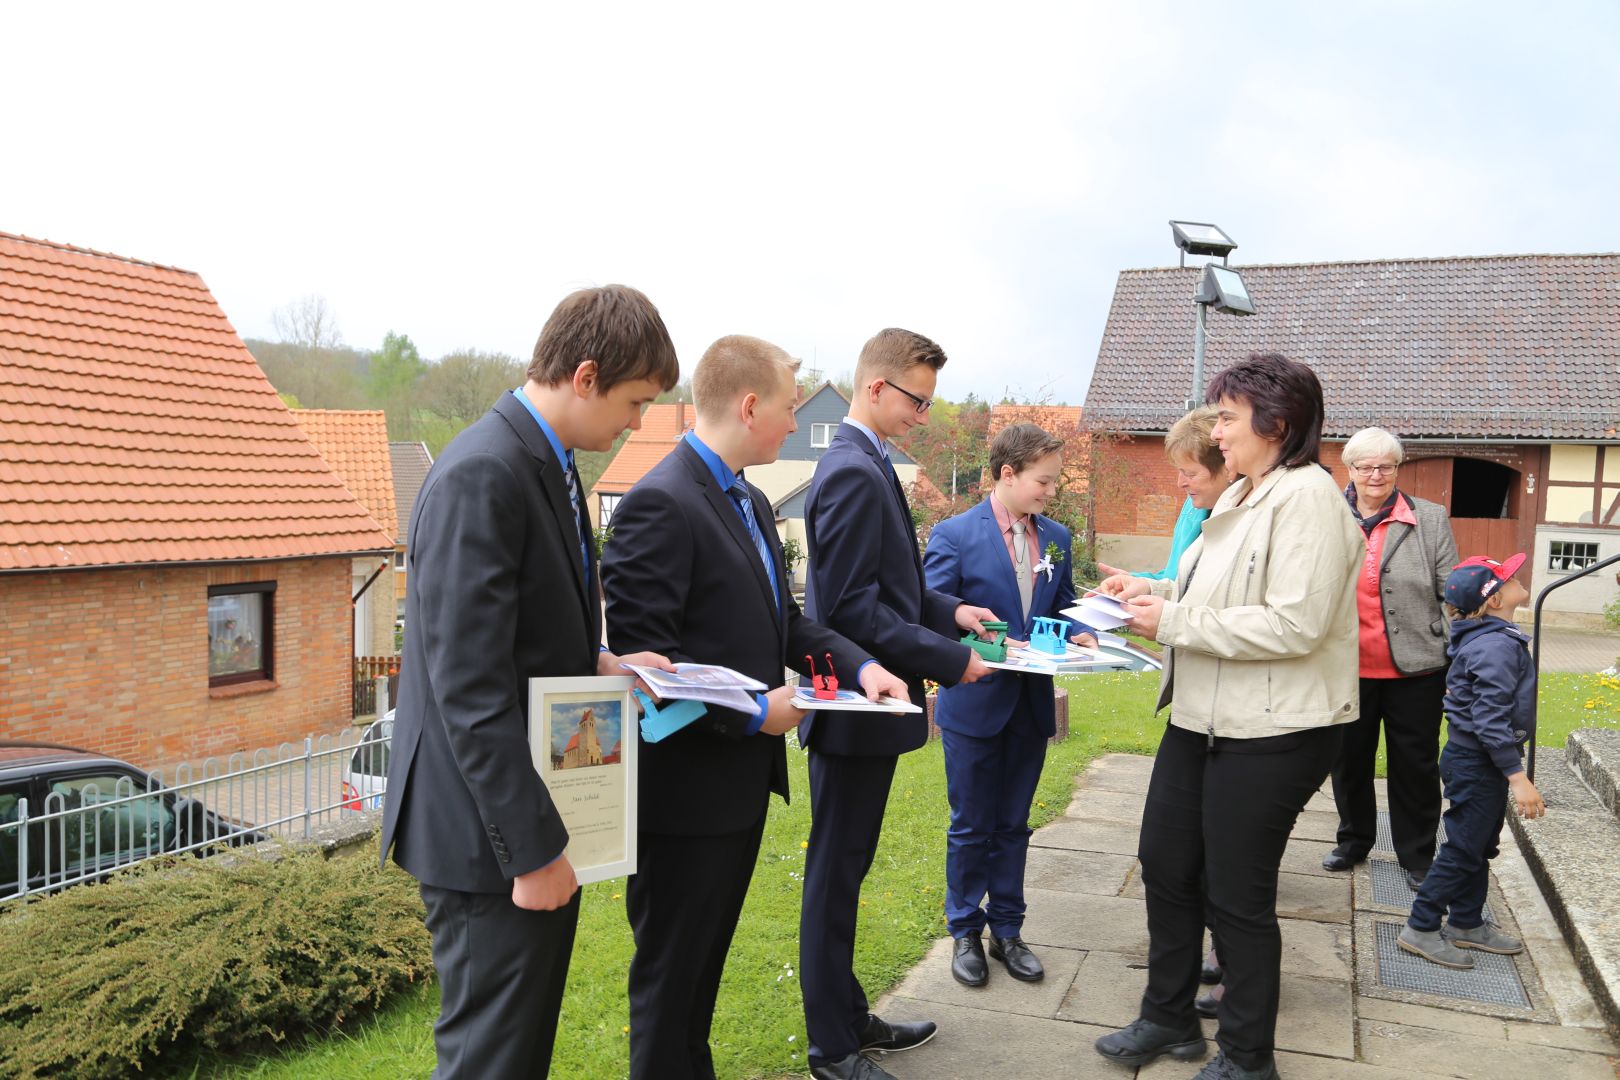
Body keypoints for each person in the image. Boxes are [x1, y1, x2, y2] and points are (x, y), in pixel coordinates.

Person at [380, 285, 680, 1080]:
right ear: (585, 376)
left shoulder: (550, 462)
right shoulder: (484, 472)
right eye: (635, 401)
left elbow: (524, 633)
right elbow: (469, 687)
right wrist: (534, 851)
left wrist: (604, 662)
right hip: (488, 841)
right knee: (491, 1062)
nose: (638, 423)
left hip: (527, 820)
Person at [601, 335, 910, 1080]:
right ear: (748, 406)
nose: (794, 421)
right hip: (681, 802)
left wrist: (862, 666)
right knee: (670, 987)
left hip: (736, 793)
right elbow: (650, 673)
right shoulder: (659, 502)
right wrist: (750, 715)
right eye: (787, 408)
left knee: (700, 984)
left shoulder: (747, 496)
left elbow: (786, 624)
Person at [1091, 352, 1362, 1080]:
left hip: (1274, 733)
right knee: (1167, 866)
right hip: (1203, 721)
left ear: (1277, 425)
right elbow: (1206, 582)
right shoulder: (1245, 492)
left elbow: (1293, 626)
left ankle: (1247, 1059)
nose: (1218, 429)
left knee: (1236, 898)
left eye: (1229, 416)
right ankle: (1168, 1018)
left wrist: (1169, 620)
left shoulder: (1307, 499)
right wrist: (1142, 586)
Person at [799, 327, 997, 1080]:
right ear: (876, 388)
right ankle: (831, 1049)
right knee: (833, 879)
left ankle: (850, 1017)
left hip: (872, 707)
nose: (924, 414)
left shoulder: (872, 462)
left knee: (847, 870)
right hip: (854, 709)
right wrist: (952, 663)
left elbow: (896, 587)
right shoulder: (850, 469)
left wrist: (952, 614)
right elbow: (851, 611)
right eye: (917, 399)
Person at [923, 422, 1096, 988]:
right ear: (1007, 474)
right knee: (971, 824)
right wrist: (987, 644)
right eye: (1042, 482)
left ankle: (1009, 930)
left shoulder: (1058, 539)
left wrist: (1085, 633)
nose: (1050, 491)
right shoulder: (953, 534)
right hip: (975, 703)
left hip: (1029, 706)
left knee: (1014, 824)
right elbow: (934, 614)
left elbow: (1063, 607)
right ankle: (965, 930)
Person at [1323, 428, 1459, 892]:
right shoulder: (1327, 515)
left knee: (1415, 766)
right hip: (1346, 666)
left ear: (1398, 469)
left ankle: (1418, 854)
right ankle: (1354, 840)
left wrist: (1452, 649)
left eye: (1386, 466)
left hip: (1417, 668)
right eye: (1366, 466)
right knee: (1349, 761)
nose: (1375, 475)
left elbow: (1451, 594)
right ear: (1351, 469)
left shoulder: (1431, 518)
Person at [1399, 553, 1545, 968]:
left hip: (1477, 760)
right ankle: (1421, 926)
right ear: (1494, 600)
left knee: (1479, 845)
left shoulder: (1490, 635)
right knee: (1464, 849)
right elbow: (1489, 718)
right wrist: (1517, 778)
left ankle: (1465, 922)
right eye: (1507, 577)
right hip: (1478, 761)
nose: (1517, 577)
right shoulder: (1496, 645)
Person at [1095, 405, 1224, 583]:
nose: (1180, 483)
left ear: (1228, 468)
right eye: (1180, 471)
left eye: (1191, 474)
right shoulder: (1193, 507)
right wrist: (1138, 581)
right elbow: (1174, 578)